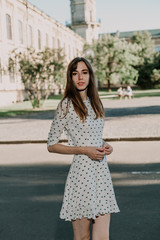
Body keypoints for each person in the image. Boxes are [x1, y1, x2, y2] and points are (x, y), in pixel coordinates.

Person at [47, 57, 119, 240]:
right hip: (82, 176)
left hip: (101, 173)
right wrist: (84, 150)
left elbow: (93, 136)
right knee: (83, 237)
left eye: (84, 72)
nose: (80, 77)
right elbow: (52, 145)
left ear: (90, 76)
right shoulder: (66, 105)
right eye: (75, 73)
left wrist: (104, 145)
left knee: (102, 237)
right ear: (70, 77)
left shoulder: (96, 102)